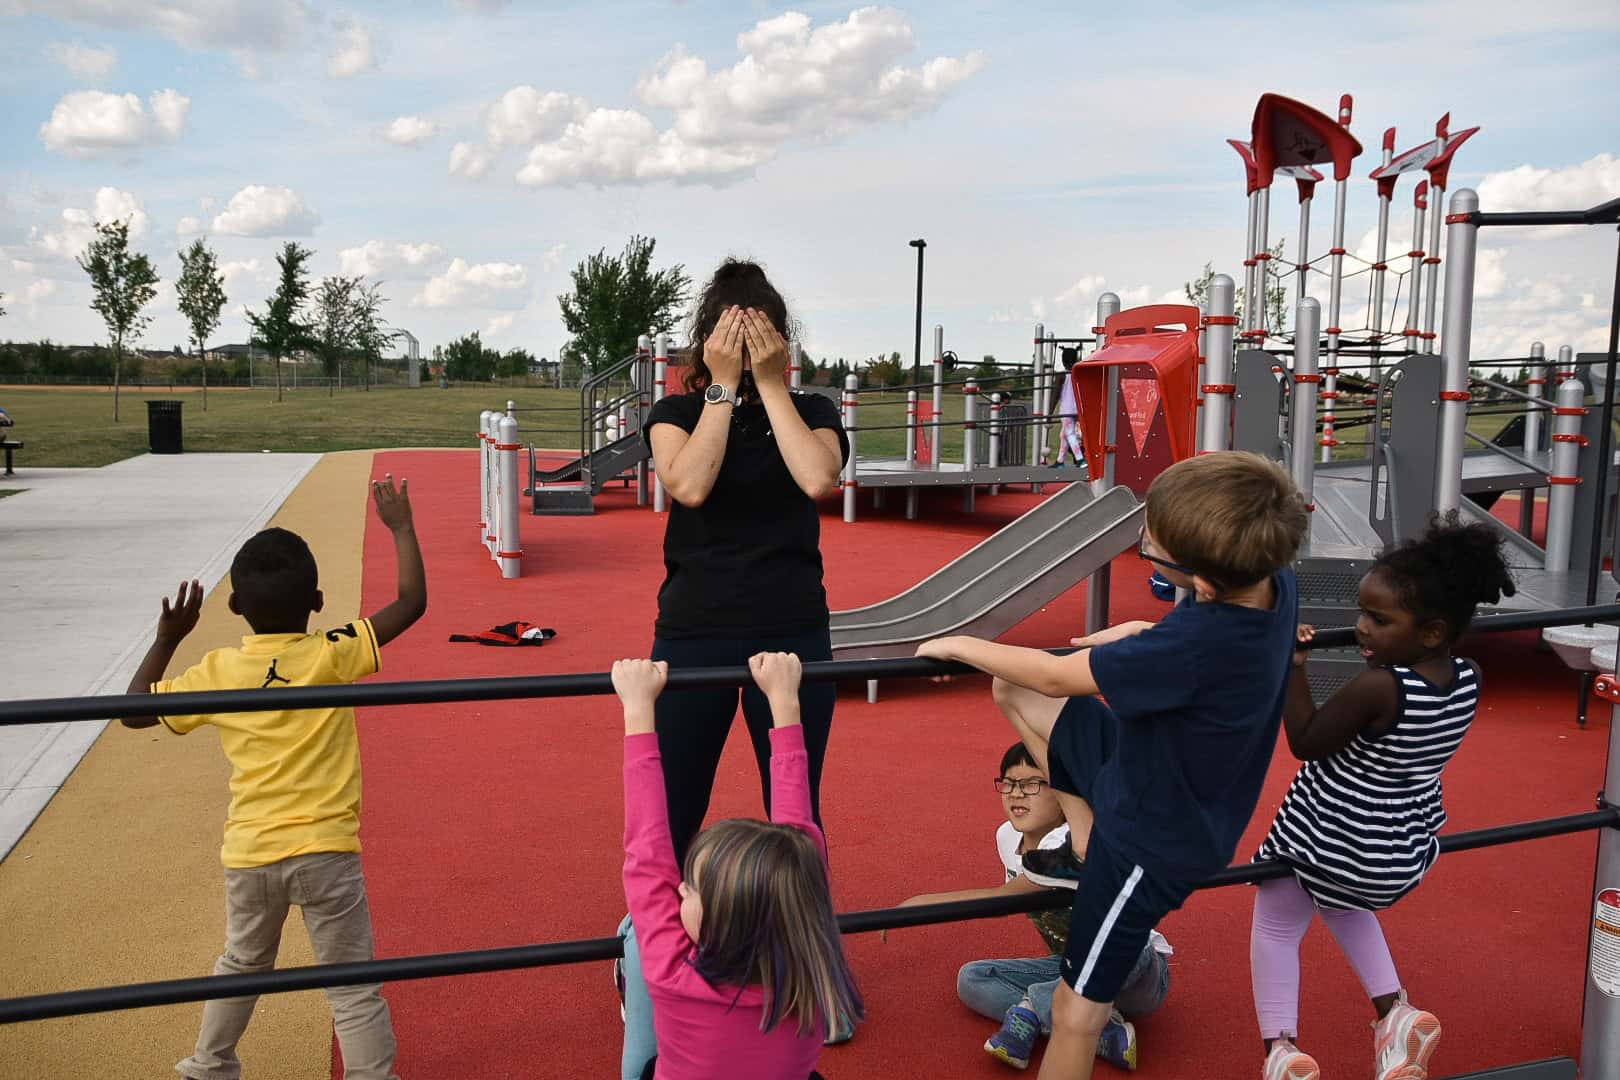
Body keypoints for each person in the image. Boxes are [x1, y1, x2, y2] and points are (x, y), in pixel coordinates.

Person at [917, 451, 1310, 1080]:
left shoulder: (1187, 649)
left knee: (1077, 1010)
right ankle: (1080, 834)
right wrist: (1138, 630)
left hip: (1148, 845)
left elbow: (1053, 670)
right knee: (1012, 691)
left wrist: (960, 642)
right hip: (1147, 784)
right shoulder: (1275, 583)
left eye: (1150, 543)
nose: (1143, 540)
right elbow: (1040, 682)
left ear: (1201, 579)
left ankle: (1094, 856)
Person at [620, 261, 851, 1076]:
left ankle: (808, 965)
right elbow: (687, 484)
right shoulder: (678, 409)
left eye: (759, 331)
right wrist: (721, 388)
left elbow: (819, 477)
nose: (744, 344)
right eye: (732, 329)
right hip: (694, 634)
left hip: (790, 632)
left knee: (796, 812)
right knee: (671, 811)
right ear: (706, 336)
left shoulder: (811, 408)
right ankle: (655, 964)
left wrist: (772, 385)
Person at [122, 475, 427, 1080]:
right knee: (351, 984)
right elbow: (411, 604)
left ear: (234, 607)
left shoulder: (218, 670)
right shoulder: (330, 651)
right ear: (317, 603)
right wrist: (401, 527)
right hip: (327, 851)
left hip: (251, 852)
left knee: (240, 964)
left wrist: (166, 640)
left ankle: (209, 1065)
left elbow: (134, 712)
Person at [1249, 514, 1514, 1080]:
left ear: (1432, 632)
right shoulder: (1468, 678)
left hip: (1326, 834)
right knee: (1342, 901)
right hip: (1392, 845)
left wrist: (1293, 667)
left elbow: (1305, 741)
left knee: (1275, 923)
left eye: (1377, 619)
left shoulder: (1381, 686)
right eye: (1361, 613)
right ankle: (1393, 1013)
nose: (1360, 628)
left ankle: (1281, 1049)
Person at [612, 651, 863, 1080]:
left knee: (637, 936)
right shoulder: (814, 963)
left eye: (689, 888)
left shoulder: (673, 970)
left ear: (723, 919)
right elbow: (798, 841)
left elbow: (647, 852)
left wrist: (638, 709)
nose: (678, 890)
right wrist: (784, 703)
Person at [896, 742, 1171, 1072]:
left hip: (1135, 970)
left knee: (1111, 954)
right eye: (1009, 784)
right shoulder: (1006, 837)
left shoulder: (1071, 843)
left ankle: (1030, 1009)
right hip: (1068, 967)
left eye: (1031, 785)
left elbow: (1003, 898)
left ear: (1064, 797)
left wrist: (921, 905)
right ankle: (1102, 1031)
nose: (1016, 794)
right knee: (973, 979)